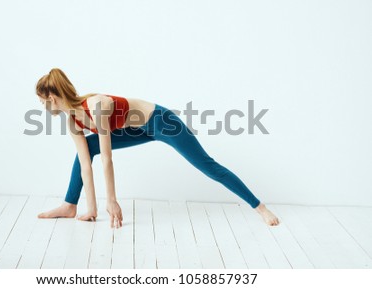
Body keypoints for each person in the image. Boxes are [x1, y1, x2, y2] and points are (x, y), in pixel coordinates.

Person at [36, 68, 279, 228]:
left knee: (207, 165)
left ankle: (260, 208)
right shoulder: (71, 120)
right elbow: (85, 164)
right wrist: (92, 209)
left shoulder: (96, 105)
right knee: (87, 149)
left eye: (41, 101)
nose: (41, 106)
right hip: (135, 129)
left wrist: (112, 200)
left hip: (160, 121)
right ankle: (70, 206)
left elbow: (107, 159)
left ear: (52, 99)